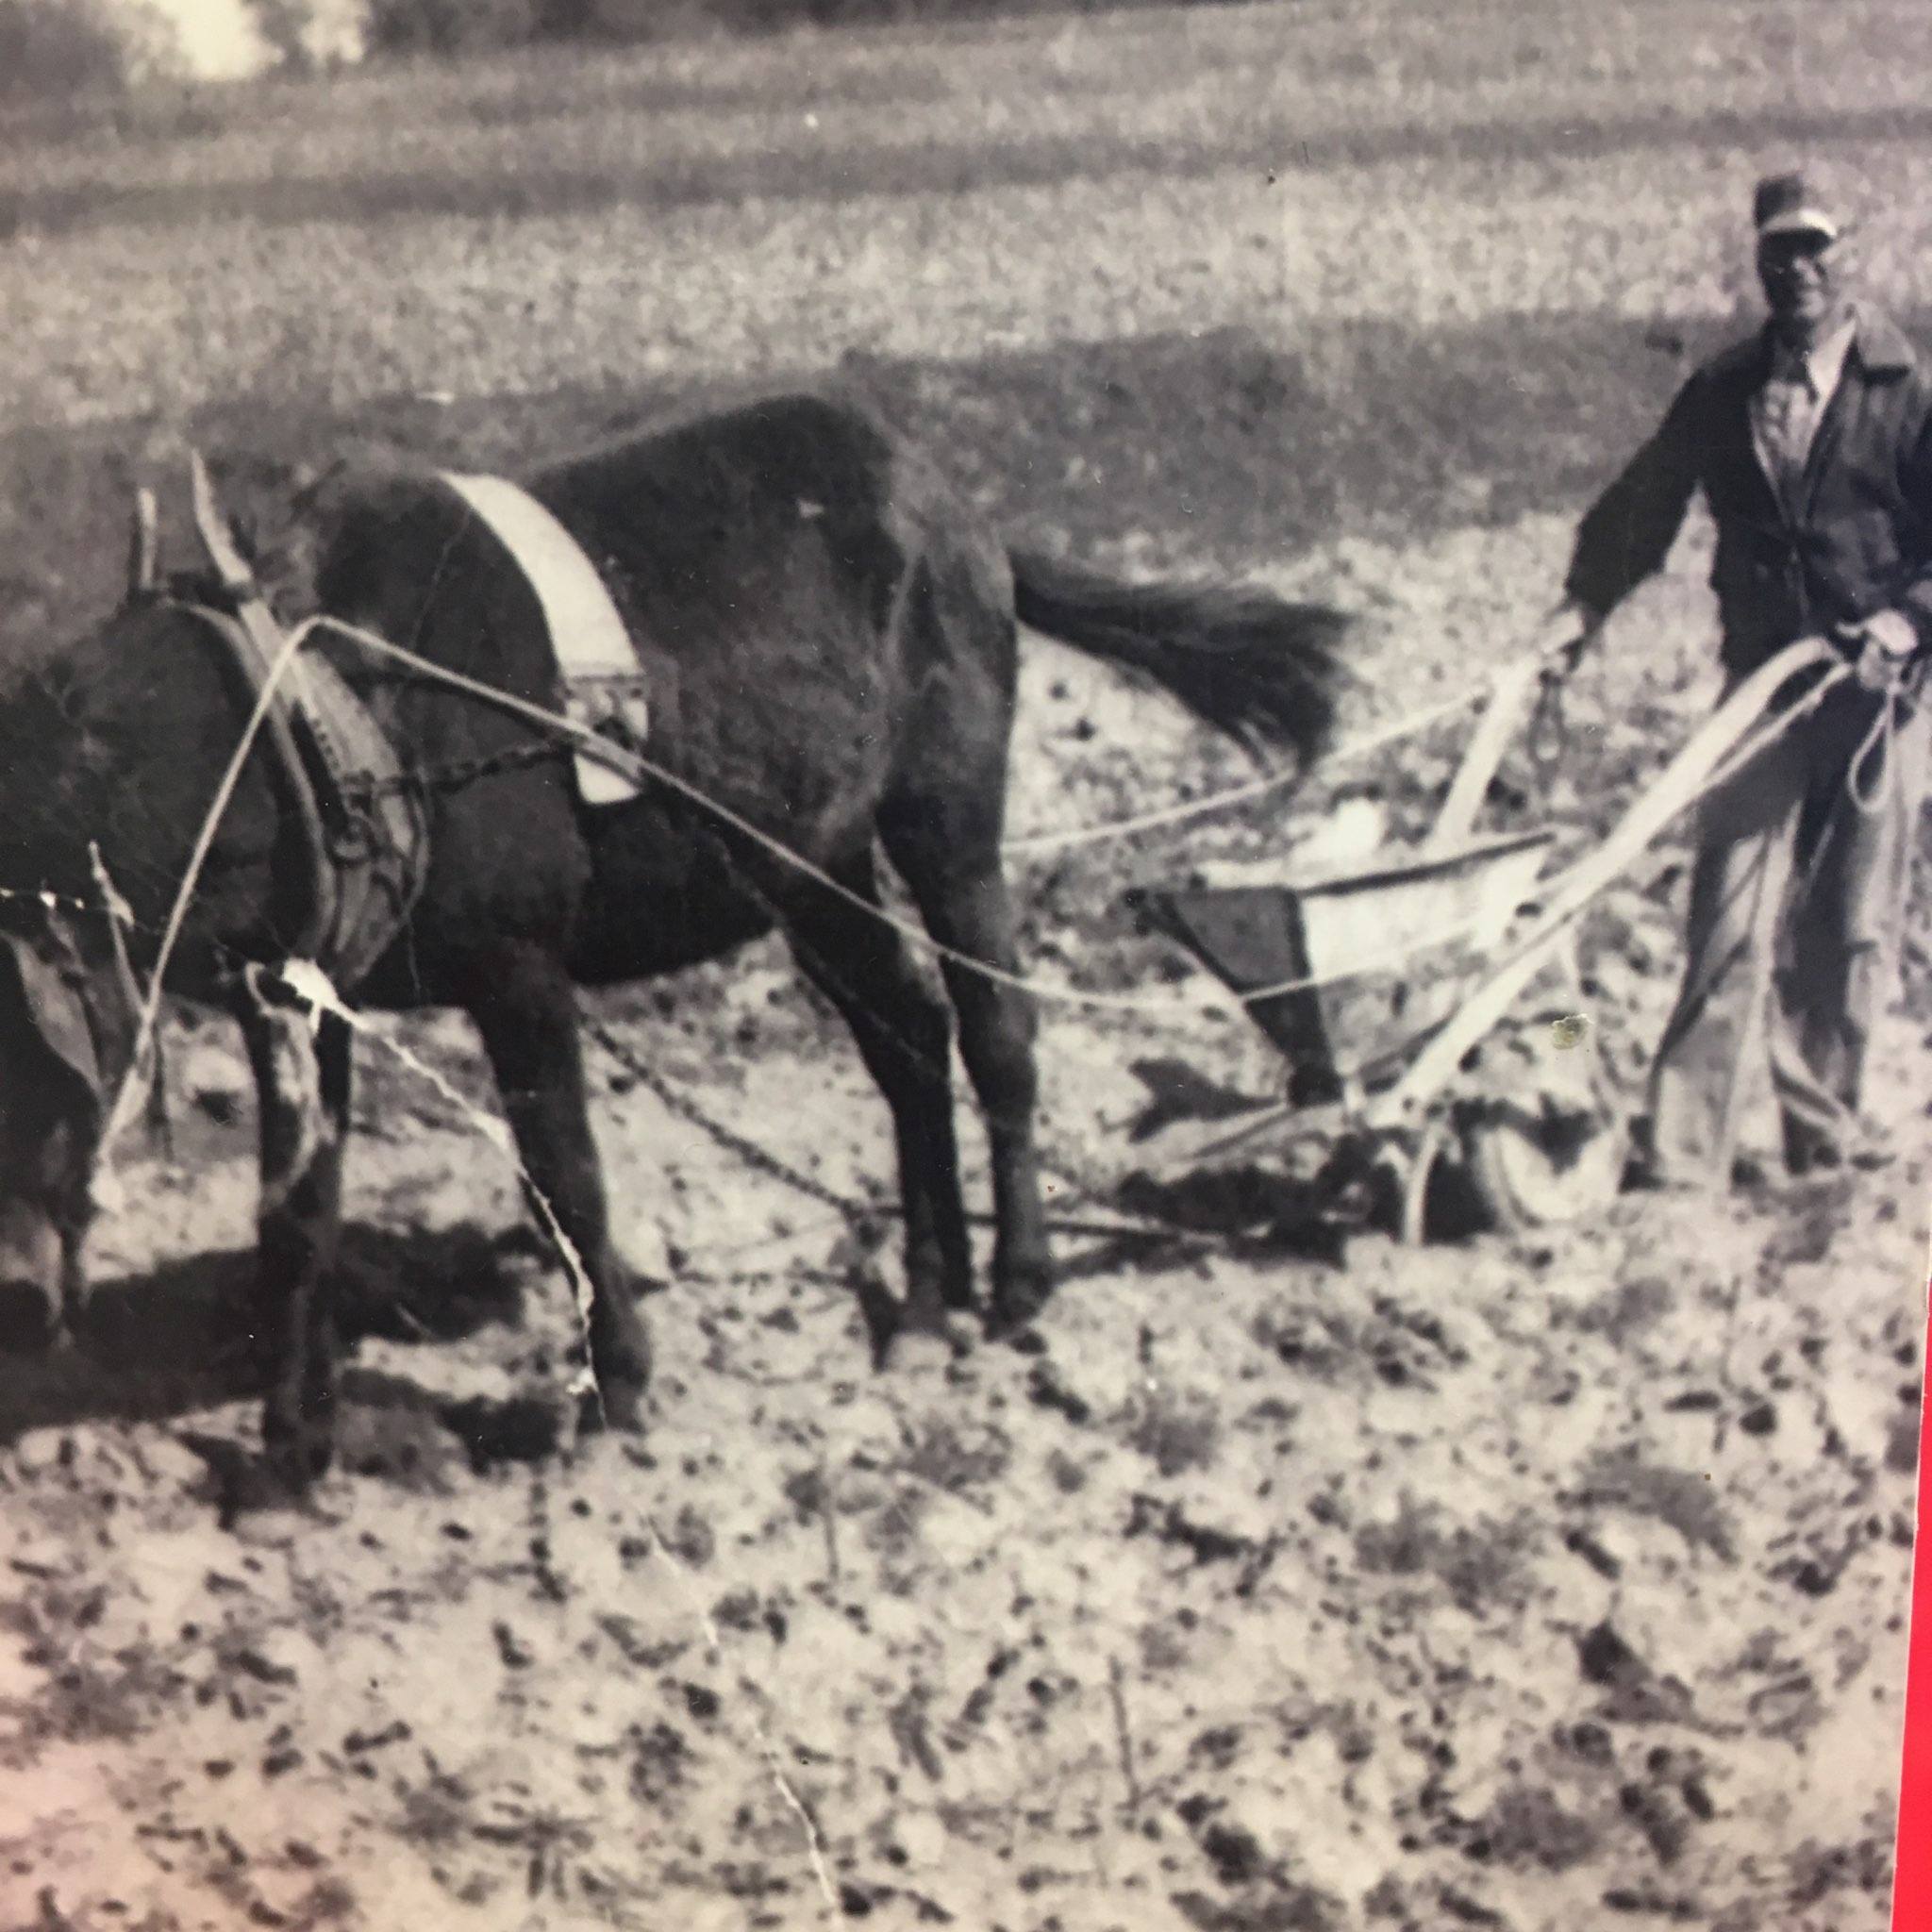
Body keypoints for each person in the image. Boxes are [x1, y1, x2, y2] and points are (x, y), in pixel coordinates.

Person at [1540, 167, 1932, 1188]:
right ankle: (1679, 1156)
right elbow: (1644, 506)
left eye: (1815, 247)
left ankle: (1822, 1135)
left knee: (1847, 926)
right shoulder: (1722, 391)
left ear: (1850, 255)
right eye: (1777, 248)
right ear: (1757, 260)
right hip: (1762, 686)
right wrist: (1580, 611)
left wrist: (1906, 620)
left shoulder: (1907, 391)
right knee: (1726, 912)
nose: (1796, 268)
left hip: (1875, 695)